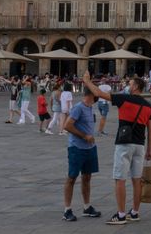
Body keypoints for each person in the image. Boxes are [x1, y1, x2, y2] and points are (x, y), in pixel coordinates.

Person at [82, 73, 151, 225]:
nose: (128, 86)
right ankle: (134, 212)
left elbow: (98, 93)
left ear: (135, 87)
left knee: (120, 179)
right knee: (136, 180)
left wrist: (87, 81)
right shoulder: (149, 106)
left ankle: (121, 215)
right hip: (140, 146)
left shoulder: (124, 99)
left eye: (130, 84)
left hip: (124, 144)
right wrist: (149, 150)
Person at [62, 85, 102, 221]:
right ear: (91, 94)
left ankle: (87, 207)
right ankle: (67, 210)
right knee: (72, 178)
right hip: (77, 148)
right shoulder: (78, 108)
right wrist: (84, 136)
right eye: (96, 92)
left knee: (87, 177)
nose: (98, 95)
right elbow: (67, 125)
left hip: (90, 148)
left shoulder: (90, 107)